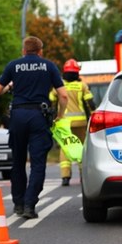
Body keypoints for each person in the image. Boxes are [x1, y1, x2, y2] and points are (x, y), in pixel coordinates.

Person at [0, 36, 68, 219]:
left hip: (18, 116)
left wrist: (11, 87)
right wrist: (59, 115)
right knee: (37, 163)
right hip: (38, 117)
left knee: (18, 162)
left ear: (23, 51)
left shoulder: (13, 66)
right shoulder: (48, 66)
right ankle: (29, 205)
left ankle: (18, 204)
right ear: (40, 51)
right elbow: (63, 96)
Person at [50, 58, 95, 186]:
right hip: (81, 123)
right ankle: (82, 175)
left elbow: (50, 100)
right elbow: (90, 103)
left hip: (64, 123)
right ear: (77, 73)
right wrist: (94, 117)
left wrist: (54, 116)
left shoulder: (59, 86)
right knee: (81, 147)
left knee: (65, 148)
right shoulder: (82, 86)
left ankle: (65, 176)